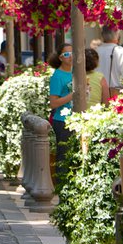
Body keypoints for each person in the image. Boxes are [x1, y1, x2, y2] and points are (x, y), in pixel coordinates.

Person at [48, 43, 73, 184]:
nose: (70, 57)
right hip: (62, 120)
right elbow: (54, 103)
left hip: (75, 118)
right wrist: (72, 96)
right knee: (63, 155)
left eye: (72, 53)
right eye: (67, 54)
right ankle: (61, 187)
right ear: (61, 58)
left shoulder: (77, 72)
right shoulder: (57, 76)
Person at [96, 26, 123, 98]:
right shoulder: (120, 51)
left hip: (98, 94)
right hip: (115, 96)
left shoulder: (96, 51)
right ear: (117, 35)